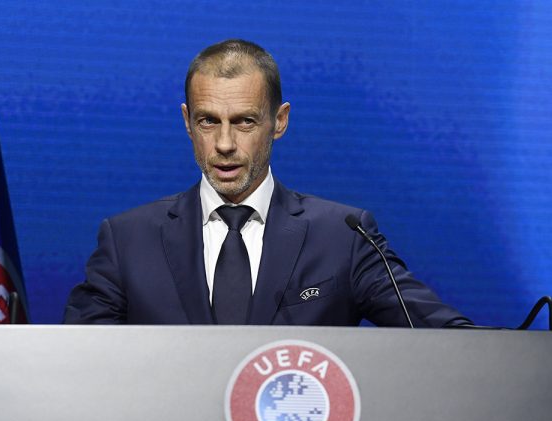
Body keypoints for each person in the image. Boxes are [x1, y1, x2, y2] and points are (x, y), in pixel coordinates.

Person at [63, 39, 471, 327]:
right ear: (187, 121)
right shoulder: (127, 240)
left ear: (279, 122)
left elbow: (438, 334)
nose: (224, 144)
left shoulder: (344, 237)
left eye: (244, 121)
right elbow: (76, 360)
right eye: (208, 121)